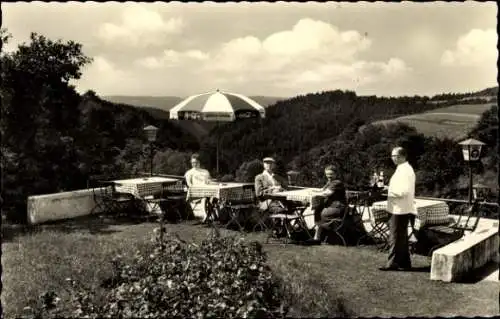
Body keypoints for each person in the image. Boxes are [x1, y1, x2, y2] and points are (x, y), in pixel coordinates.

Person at [379, 146, 417, 271]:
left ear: (401, 156)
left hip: (400, 208)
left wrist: (388, 190)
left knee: (395, 235)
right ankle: (405, 262)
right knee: (401, 236)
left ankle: (392, 262)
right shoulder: (403, 169)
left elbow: (404, 192)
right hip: (400, 207)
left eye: (394, 156)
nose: (392, 158)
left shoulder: (405, 171)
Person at [311, 165, 348, 241]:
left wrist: (315, 194)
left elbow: (327, 193)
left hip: (338, 208)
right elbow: (322, 190)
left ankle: (319, 235)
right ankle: (318, 235)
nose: (329, 176)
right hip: (333, 206)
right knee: (318, 210)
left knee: (320, 213)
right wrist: (314, 191)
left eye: (331, 174)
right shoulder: (330, 182)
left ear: (336, 174)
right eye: (327, 174)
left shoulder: (337, 182)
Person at [184, 153, 213, 223]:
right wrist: (197, 188)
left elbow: (209, 181)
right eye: (193, 163)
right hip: (195, 193)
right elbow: (189, 184)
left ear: (199, 162)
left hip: (207, 191)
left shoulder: (205, 172)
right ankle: (205, 215)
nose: (194, 164)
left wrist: (209, 182)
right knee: (204, 197)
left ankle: (210, 216)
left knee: (214, 197)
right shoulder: (189, 172)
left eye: (196, 162)